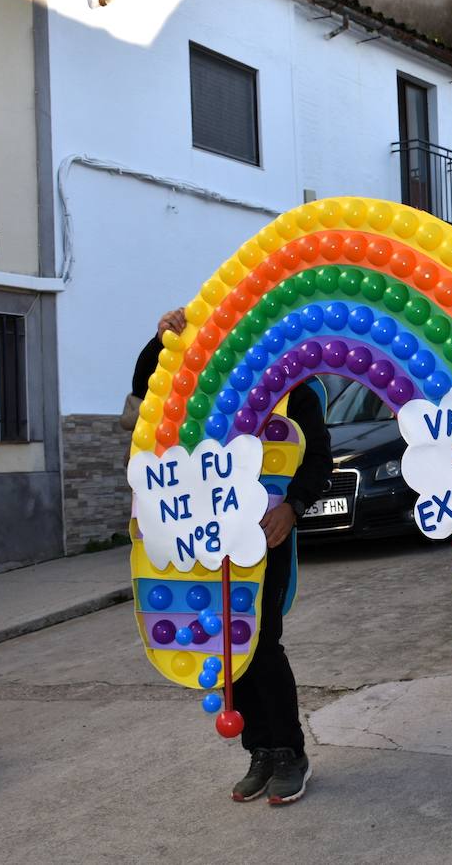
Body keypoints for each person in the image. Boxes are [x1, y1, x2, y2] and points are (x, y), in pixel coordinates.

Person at [132, 307, 332, 806]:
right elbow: (144, 392)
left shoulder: (295, 390)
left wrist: (295, 506)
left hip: (266, 535)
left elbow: (319, 459)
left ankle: (290, 752)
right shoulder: (198, 391)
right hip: (205, 536)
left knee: (260, 641)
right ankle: (259, 751)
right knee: (225, 642)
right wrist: (163, 341)